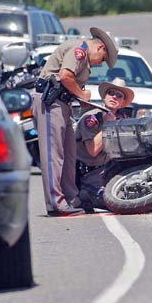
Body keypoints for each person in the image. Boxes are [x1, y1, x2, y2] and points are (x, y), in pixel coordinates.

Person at [32, 27, 119, 216]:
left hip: (61, 103)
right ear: (100, 48)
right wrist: (81, 94)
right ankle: (55, 203)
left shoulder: (84, 58)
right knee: (54, 153)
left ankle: (71, 198)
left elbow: (69, 82)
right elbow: (65, 76)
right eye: (103, 59)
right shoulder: (80, 51)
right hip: (50, 101)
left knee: (69, 153)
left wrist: (82, 100)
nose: (99, 63)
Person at [75, 77, 135, 209]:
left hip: (109, 169)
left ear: (123, 102)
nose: (114, 97)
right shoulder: (92, 118)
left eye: (119, 95)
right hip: (87, 172)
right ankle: (84, 195)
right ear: (104, 97)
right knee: (114, 202)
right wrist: (107, 125)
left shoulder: (123, 120)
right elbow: (93, 151)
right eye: (111, 93)